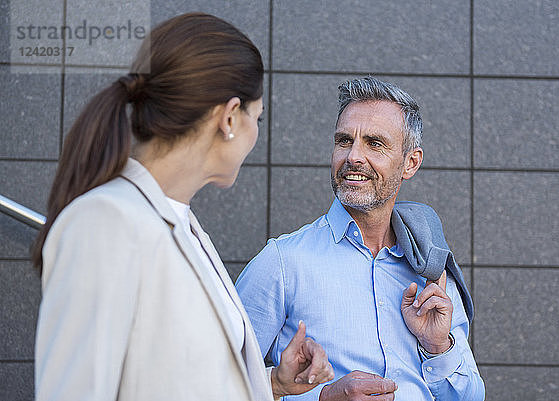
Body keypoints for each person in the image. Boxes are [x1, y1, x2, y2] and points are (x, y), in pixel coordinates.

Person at [32, 13, 333, 401]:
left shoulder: (178, 221)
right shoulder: (106, 222)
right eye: (256, 118)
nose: (256, 132)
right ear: (229, 117)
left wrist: (273, 383)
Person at [236, 76, 485, 400]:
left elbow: (471, 396)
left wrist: (438, 348)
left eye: (374, 143)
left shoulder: (431, 268)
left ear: (410, 163)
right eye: (344, 141)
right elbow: (220, 384)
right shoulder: (282, 263)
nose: (353, 156)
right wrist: (322, 398)